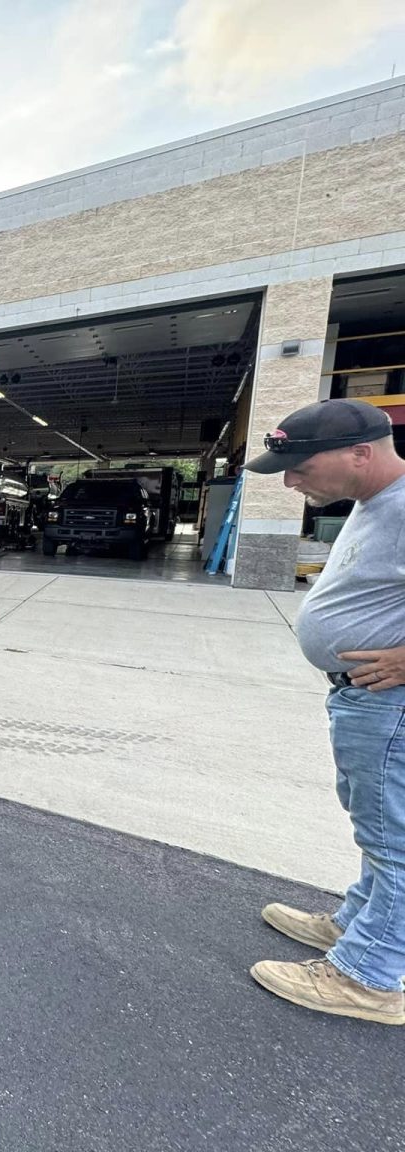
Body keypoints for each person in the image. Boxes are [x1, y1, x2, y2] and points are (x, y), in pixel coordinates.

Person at [241, 399, 405, 1025]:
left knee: (395, 840)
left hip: (389, 701)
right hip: (364, 697)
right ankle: (357, 923)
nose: (290, 482)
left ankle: (368, 977)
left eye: (300, 468)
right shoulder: (373, 505)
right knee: (380, 828)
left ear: (360, 453)